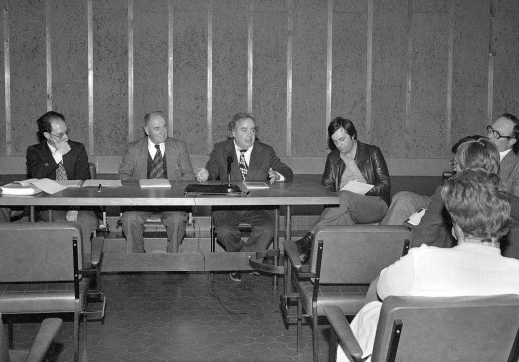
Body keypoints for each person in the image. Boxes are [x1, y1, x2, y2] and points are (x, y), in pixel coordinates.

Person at [338, 170, 519, 361]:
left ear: (456, 226)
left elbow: (380, 290)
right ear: (503, 222)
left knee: (373, 310)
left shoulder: (421, 263)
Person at [195, 112, 293, 282]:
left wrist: (277, 175)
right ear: (232, 132)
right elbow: (211, 170)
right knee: (224, 231)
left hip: (258, 207)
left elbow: (287, 171)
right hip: (227, 207)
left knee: (267, 229)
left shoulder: (265, 151)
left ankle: (240, 263)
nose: (250, 135)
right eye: (244, 130)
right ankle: (248, 261)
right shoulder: (221, 149)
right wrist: (205, 174)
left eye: (253, 131)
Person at [295, 117, 390, 262]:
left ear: (353, 135)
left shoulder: (372, 152)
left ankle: (308, 238)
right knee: (339, 217)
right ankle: (314, 265)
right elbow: (326, 189)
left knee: (345, 196)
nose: (339, 145)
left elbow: (385, 184)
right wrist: (339, 194)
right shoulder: (333, 158)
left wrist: (362, 190)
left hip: (375, 203)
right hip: (345, 207)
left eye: (342, 139)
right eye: (335, 141)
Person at [118, 111, 195, 253]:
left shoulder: (179, 147)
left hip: (171, 202)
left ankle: (173, 259)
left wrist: (168, 186)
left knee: (177, 219)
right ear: (146, 130)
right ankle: (137, 260)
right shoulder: (133, 149)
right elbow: (123, 177)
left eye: (165, 126)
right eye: (157, 128)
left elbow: (189, 177)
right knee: (129, 219)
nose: (163, 132)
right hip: (141, 202)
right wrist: (144, 186)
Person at [26, 111, 99, 255]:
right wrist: (58, 155)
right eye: (60, 134)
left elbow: (83, 180)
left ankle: (83, 266)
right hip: (49, 204)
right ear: (47, 135)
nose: (65, 137)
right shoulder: (35, 151)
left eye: (66, 132)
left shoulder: (77, 149)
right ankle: (61, 265)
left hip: (79, 203)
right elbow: (37, 175)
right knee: (60, 223)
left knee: (84, 221)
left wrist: (74, 207)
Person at [487, 112, 519, 207]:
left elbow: (518, 211)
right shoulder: (477, 158)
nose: (489, 136)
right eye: (490, 130)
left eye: (496, 134)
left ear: (511, 141)